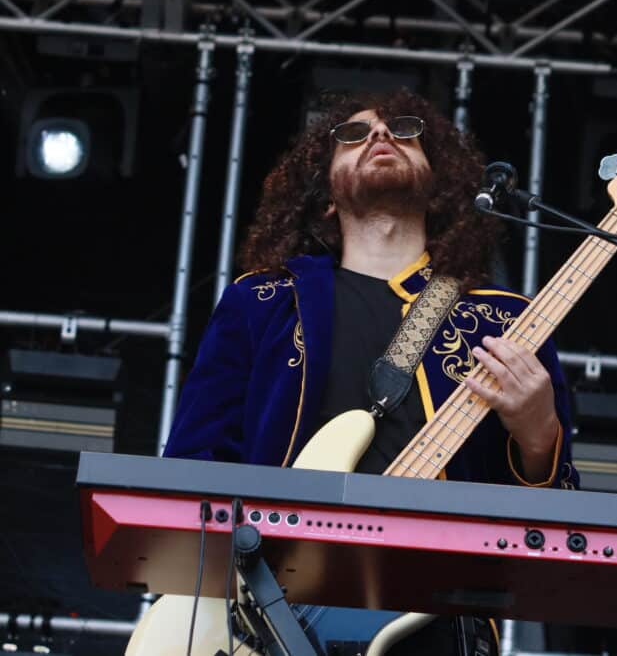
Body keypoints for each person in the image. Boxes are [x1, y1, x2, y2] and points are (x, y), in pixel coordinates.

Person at [162, 88, 579, 654]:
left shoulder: (504, 321)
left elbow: (550, 526)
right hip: (266, 620)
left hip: (438, 629)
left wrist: (539, 434)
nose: (381, 135)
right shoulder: (262, 302)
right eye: (353, 135)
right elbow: (193, 462)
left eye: (405, 131)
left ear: (438, 185)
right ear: (326, 196)